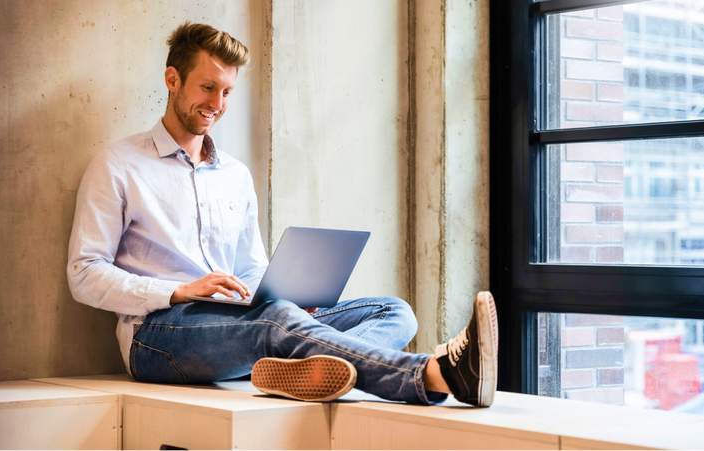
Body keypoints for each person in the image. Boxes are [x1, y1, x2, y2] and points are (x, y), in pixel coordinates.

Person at [67, 21, 498, 407]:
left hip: (245, 321)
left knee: (392, 311)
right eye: (207, 87)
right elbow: (84, 273)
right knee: (276, 322)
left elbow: (251, 267)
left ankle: (311, 371)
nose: (217, 103)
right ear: (172, 79)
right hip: (157, 336)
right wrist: (179, 290)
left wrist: (287, 296)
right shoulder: (119, 164)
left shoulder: (234, 174)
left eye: (227, 91)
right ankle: (436, 374)